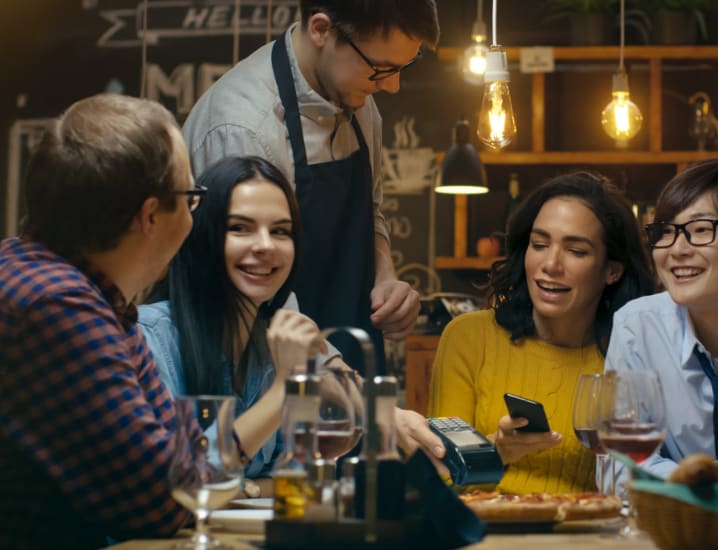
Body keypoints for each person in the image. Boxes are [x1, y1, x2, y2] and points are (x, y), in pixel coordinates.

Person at [183, 0, 438, 370]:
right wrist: (336, 379)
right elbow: (247, 286)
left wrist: (385, 278)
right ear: (321, 29)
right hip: (258, 369)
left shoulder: (359, 101)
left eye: (402, 68)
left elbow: (371, 212)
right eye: (380, 69)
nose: (393, 86)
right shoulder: (244, 127)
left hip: (345, 354)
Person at [0, 94, 199, 547]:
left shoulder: (66, 283)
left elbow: (184, 465)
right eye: (191, 196)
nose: (193, 216)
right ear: (151, 215)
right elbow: (168, 499)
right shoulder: (57, 306)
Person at [428, 171, 655, 494]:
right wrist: (496, 452)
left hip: (588, 538)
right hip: (484, 538)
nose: (551, 264)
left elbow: (637, 484)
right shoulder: (468, 338)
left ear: (612, 270)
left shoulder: (628, 357)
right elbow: (438, 482)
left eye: (576, 251)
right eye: (539, 244)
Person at [138, 156, 326, 494]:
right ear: (202, 237)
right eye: (239, 228)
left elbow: (301, 480)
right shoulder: (149, 338)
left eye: (281, 231)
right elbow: (176, 486)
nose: (266, 246)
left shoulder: (279, 345)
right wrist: (285, 389)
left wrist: (244, 489)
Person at [604, 158, 718, 485]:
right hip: (669, 528)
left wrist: (672, 476)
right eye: (665, 232)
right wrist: (714, 478)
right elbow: (617, 468)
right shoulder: (637, 327)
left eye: (700, 230)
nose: (677, 249)